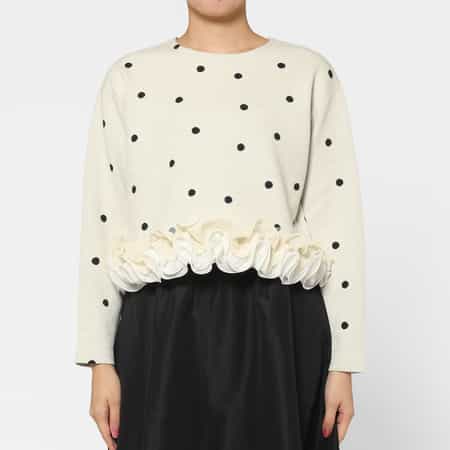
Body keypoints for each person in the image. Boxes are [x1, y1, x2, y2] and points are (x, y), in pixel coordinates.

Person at [75, 1, 366, 449]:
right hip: (160, 325)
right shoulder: (128, 77)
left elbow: (336, 220)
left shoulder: (308, 73)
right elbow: (105, 217)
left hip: (279, 324)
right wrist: (100, 360)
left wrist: (343, 363)